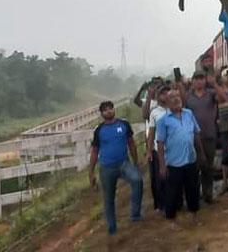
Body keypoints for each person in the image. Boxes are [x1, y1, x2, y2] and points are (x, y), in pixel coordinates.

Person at [88, 100, 143, 235]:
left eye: (110, 108)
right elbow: (95, 151)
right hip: (106, 168)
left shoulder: (124, 124)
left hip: (124, 163)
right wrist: (91, 172)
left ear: (114, 109)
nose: (109, 111)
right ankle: (112, 227)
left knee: (137, 180)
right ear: (101, 113)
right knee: (108, 198)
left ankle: (135, 214)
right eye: (105, 109)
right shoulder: (99, 130)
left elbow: (131, 144)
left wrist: (135, 162)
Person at [156, 89, 205, 225]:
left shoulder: (189, 114)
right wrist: (162, 165)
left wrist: (201, 154)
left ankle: (194, 215)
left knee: (192, 189)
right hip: (174, 162)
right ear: (167, 101)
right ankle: (172, 219)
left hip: (191, 159)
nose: (176, 99)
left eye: (178, 96)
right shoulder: (163, 121)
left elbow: (196, 134)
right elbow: (160, 143)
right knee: (173, 192)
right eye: (172, 97)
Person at [185, 70, 228, 203]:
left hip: (209, 135)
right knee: (195, 167)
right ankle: (195, 196)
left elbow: (223, 98)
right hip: (192, 137)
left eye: (201, 78)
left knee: (208, 167)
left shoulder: (211, 93)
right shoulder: (188, 96)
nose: (199, 81)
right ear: (192, 81)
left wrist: (214, 84)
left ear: (205, 80)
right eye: (196, 78)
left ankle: (208, 194)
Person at [145, 85, 171, 211]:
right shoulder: (154, 112)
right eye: (163, 93)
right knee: (160, 177)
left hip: (173, 150)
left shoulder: (175, 109)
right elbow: (151, 133)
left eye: (168, 92)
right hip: (159, 149)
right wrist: (149, 151)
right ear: (158, 97)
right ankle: (161, 205)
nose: (166, 95)